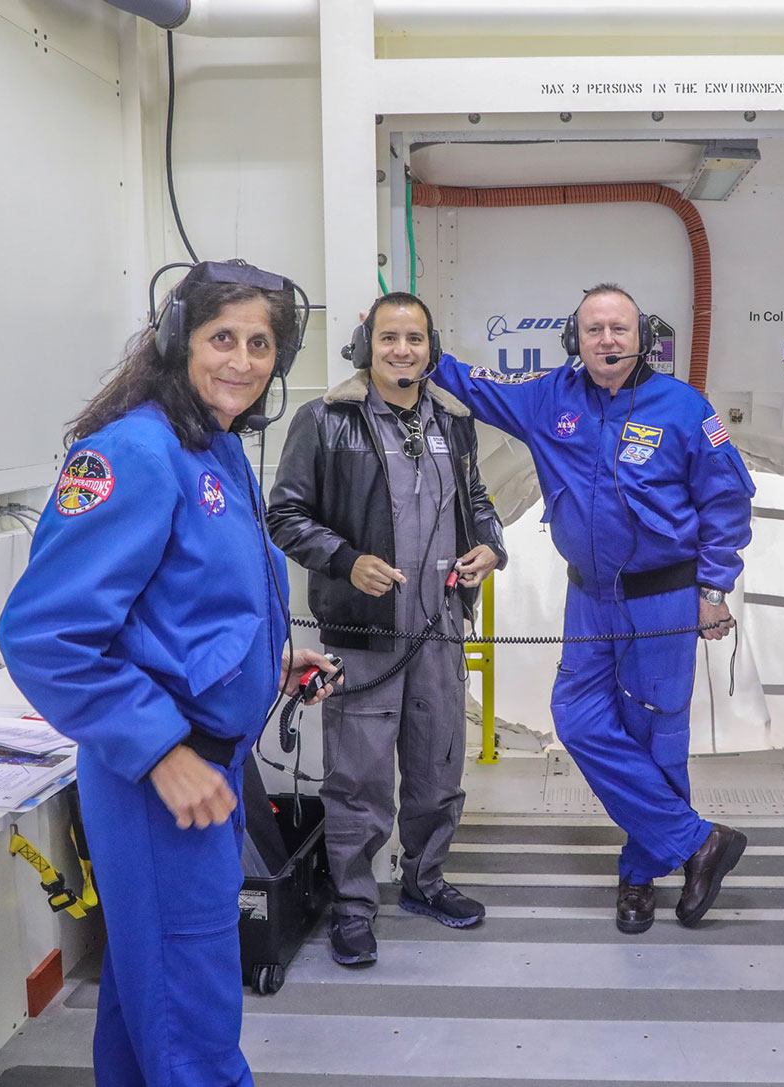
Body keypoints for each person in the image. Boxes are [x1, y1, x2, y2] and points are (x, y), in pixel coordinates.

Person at [0, 259, 340, 1087]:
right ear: (178, 340)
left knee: (144, 998)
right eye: (223, 338)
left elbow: (186, 600)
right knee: (193, 1025)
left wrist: (265, 657)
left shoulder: (215, 445)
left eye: (261, 343)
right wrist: (160, 751)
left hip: (206, 767)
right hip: (161, 782)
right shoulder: (137, 452)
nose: (243, 360)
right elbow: (45, 634)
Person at [428, 283, 754, 934]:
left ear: (643, 337)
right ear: (574, 340)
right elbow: (475, 386)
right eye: (594, 329)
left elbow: (726, 502)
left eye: (620, 329)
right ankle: (696, 841)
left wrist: (713, 591)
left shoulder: (685, 409)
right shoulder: (548, 398)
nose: (607, 340)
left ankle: (640, 875)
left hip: (664, 598)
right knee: (576, 719)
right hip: (589, 598)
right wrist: (418, 350)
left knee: (656, 736)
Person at [267, 291, 506, 965]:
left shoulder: (454, 421)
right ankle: (352, 904)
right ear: (366, 346)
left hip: (440, 628)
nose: (403, 350)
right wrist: (347, 560)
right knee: (359, 778)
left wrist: (491, 546)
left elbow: (477, 500)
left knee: (438, 766)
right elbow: (284, 515)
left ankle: (425, 881)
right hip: (365, 633)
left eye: (415, 339)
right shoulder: (325, 420)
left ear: (432, 349)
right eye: (389, 338)